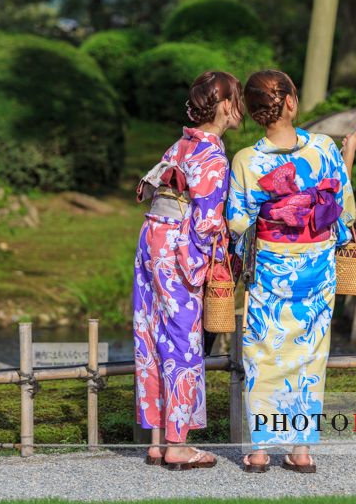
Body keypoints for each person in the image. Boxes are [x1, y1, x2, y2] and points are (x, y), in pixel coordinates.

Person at [226, 69, 356, 473]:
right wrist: (348, 152)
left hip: (272, 267)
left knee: (263, 351)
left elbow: (238, 224)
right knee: (310, 354)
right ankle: (301, 451)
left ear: (253, 112)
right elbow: (344, 212)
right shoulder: (323, 148)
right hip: (317, 265)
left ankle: (261, 450)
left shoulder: (247, 160)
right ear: (290, 102)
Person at [133, 70, 243, 469]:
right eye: (237, 100)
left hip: (151, 237)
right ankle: (178, 444)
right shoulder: (213, 155)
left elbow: (151, 186)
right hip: (179, 245)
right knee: (182, 338)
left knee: (151, 333)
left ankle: (158, 439)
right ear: (226, 106)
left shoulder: (181, 143)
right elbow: (208, 222)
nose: (240, 108)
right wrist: (214, 260)